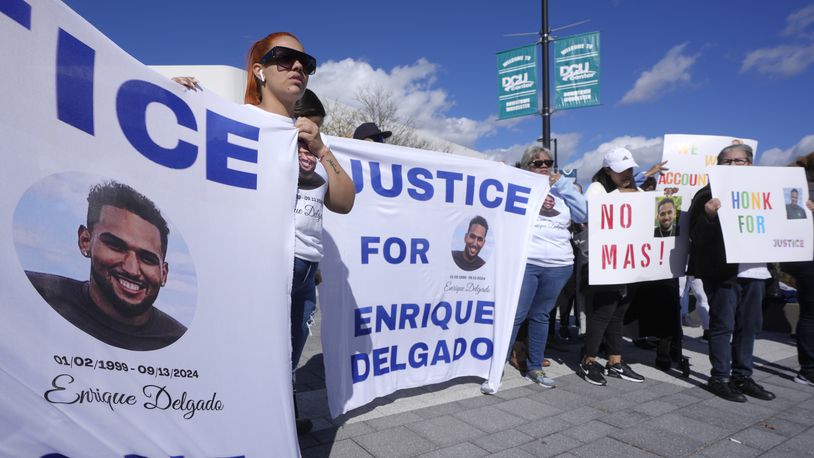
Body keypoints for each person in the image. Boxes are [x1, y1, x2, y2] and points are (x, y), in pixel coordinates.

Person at [178, 33, 355, 434]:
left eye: (306, 63)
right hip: (262, 265)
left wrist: (323, 148)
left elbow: (344, 202)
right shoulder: (235, 121)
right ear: (258, 70)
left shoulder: (306, 137)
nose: (298, 67)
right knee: (249, 360)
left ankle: (275, 430)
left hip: (305, 269)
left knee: (285, 362)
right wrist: (174, 98)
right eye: (285, 58)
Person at [25, 181, 185, 351]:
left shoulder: (180, 343)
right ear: (85, 241)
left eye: (147, 259)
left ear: (164, 273)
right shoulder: (30, 295)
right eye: (116, 246)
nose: (131, 269)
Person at [483, 145, 587, 393]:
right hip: (527, 261)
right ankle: (494, 367)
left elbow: (584, 212)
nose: (543, 167)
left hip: (559, 264)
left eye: (547, 162)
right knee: (516, 314)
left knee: (541, 315)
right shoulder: (519, 187)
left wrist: (561, 185)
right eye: (536, 163)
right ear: (526, 166)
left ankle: (534, 366)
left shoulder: (563, 191)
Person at [687, 143, 775, 402]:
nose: (735, 165)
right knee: (722, 324)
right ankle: (720, 377)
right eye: (729, 161)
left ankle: (743, 376)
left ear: (750, 164)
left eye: (741, 161)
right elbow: (696, 237)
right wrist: (709, 216)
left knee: (749, 326)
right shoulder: (707, 194)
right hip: (723, 272)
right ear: (719, 166)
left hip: (755, 270)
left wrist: (802, 211)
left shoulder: (765, 193)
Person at [579, 147, 655, 386]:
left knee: (619, 313)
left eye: (630, 169)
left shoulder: (637, 189)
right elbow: (593, 213)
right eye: (622, 170)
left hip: (628, 260)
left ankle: (615, 361)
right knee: (603, 313)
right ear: (607, 170)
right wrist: (627, 194)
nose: (627, 174)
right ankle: (588, 360)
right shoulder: (597, 188)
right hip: (604, 261)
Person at [781, 152, 814, 386]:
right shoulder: (801, 189)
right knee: (811, 313)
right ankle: (809, 369)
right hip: (807, 257)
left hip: (804, 258)